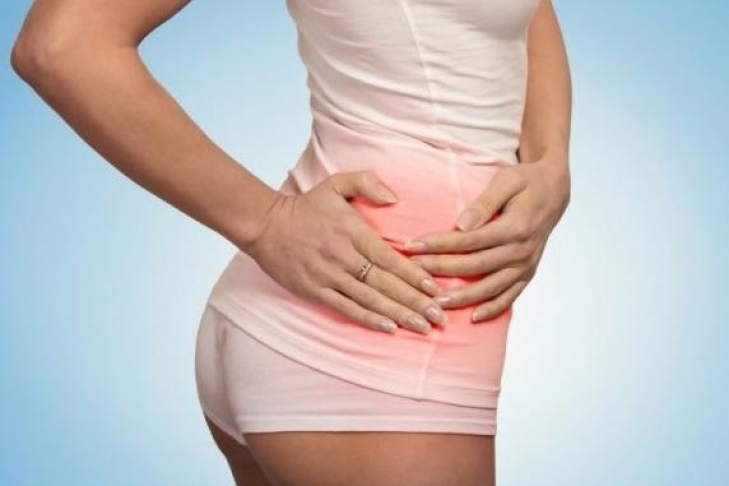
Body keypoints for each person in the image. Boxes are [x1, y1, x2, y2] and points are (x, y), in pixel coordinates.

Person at [11, 0, 572, 484]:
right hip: (378, 339)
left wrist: (551, 163)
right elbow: (62, 45)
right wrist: (267, 223)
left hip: (354, 329)